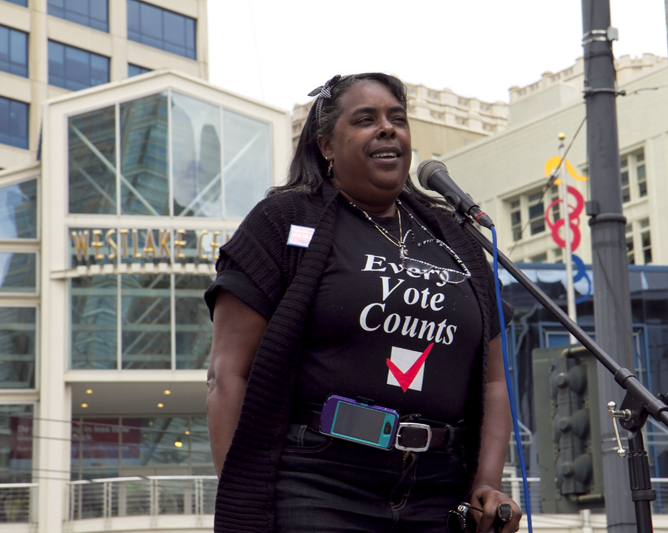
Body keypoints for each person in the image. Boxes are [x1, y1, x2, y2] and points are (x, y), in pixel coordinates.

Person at [205, 73, 522, 533]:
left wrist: (486, 483)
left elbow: (495, 383)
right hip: (317, 486)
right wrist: (245, 501)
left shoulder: (455, 239)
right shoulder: (284, 222)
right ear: (327, 146)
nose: (388, 129)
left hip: (437, 494)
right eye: (365, 120)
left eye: (398, 118)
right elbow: (227, 373)